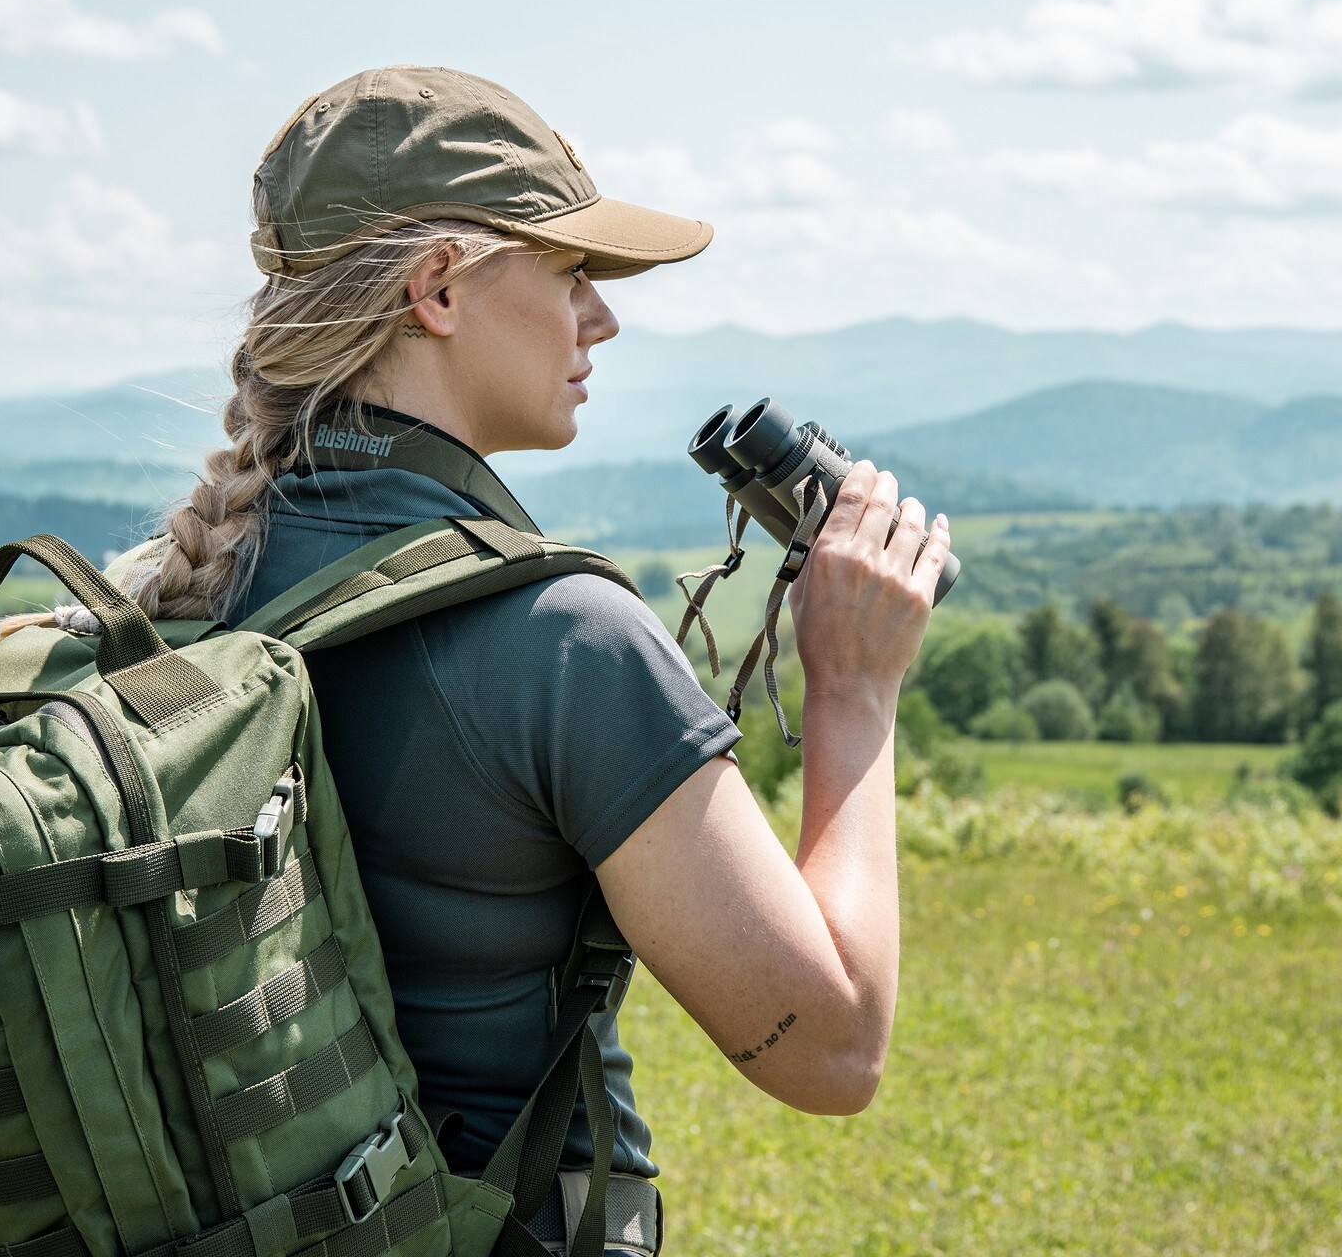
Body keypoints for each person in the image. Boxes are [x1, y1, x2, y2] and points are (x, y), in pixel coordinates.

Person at [126, 65, 951, 1255]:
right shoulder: (562, 642)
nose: (600, 317)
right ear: (440, 290)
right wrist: (856, 691)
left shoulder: (181, 595)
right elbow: (833, 1047)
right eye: (571, 271)